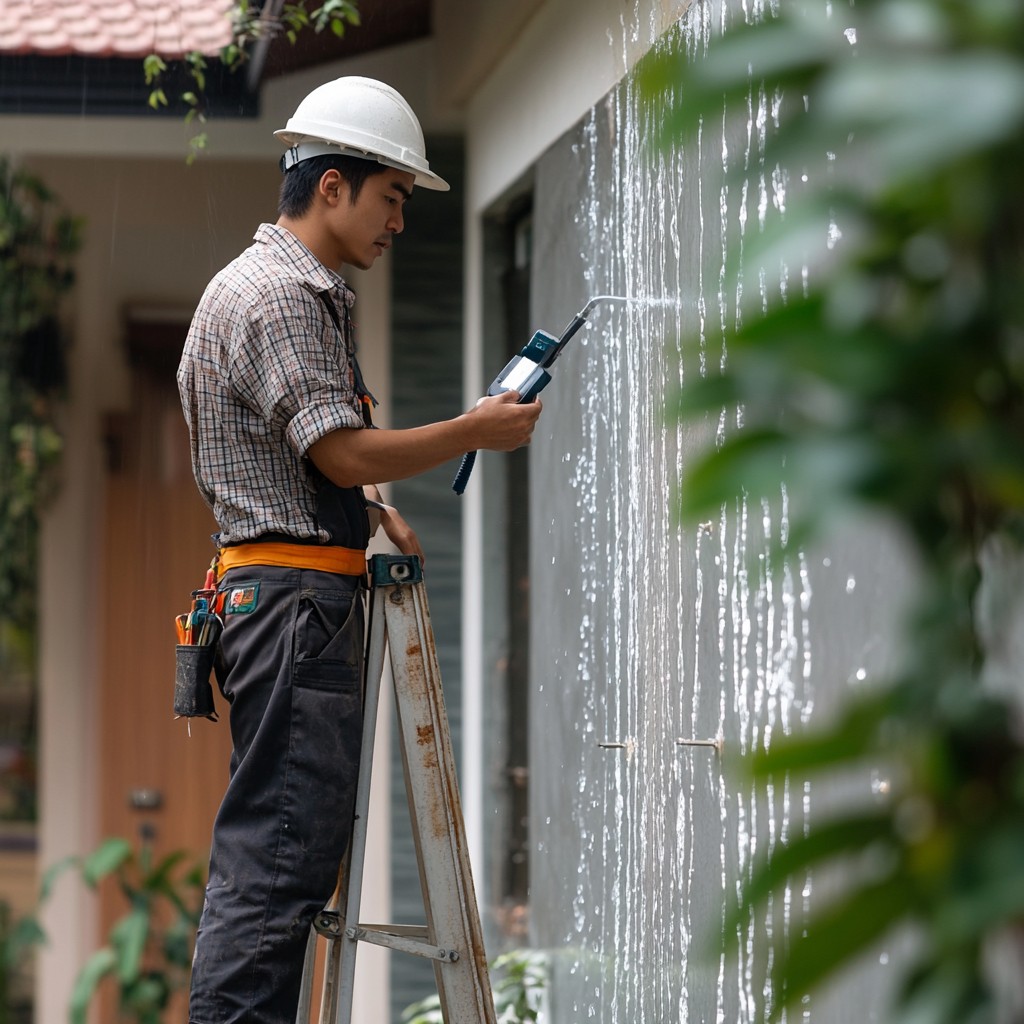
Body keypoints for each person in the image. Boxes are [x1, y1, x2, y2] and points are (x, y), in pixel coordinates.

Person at [176, 76, 541, 1024]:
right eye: (393, 198)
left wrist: (370, 505)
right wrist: (472, 430)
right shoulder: (285, 296)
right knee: (278, 863)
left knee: (274, 853)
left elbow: (313, 456)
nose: (398, 223)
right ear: (331, 185)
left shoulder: (263, 287)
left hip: (279, 599)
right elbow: (334, 448)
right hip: (294, 608)